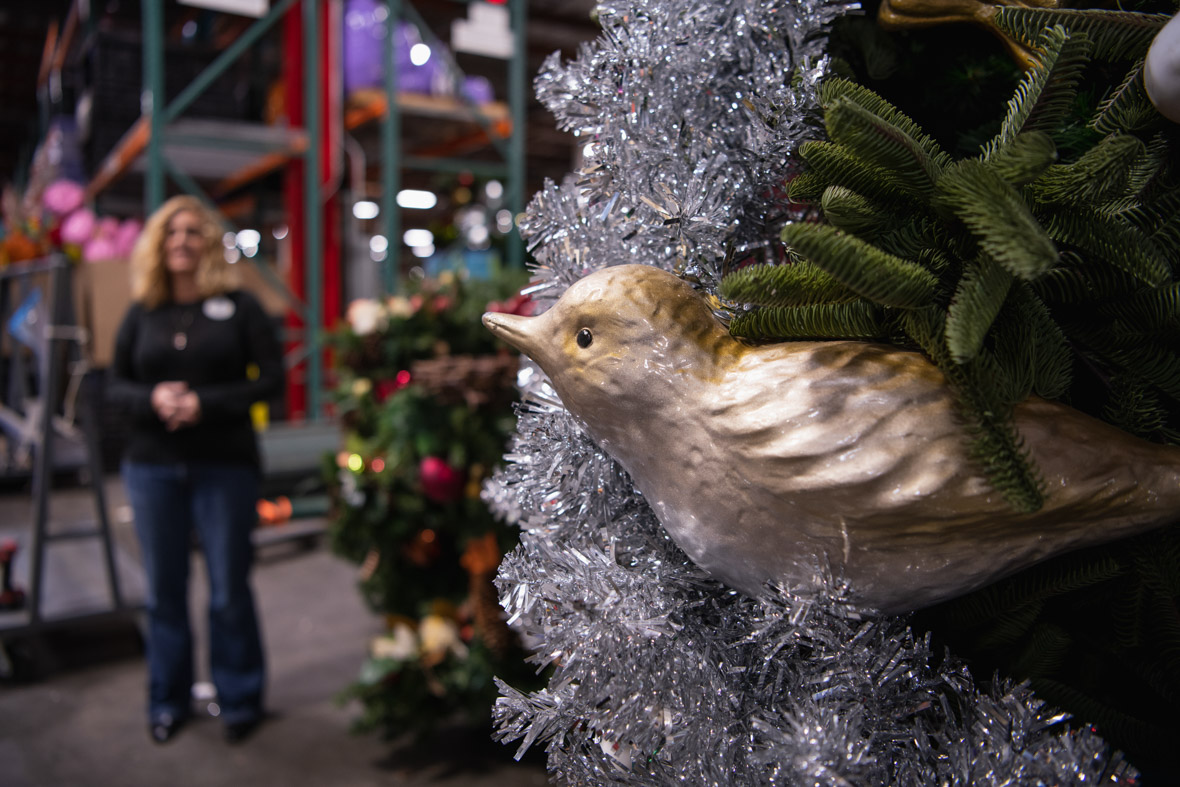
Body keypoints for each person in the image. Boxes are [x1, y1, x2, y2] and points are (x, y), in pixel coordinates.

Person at [108, 195, 284, 745]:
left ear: (208, 243)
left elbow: (271, 381)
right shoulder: (142, 313)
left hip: (224, 466)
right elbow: (112, 386)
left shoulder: (241, 307)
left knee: (228, 588)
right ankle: (168, 699)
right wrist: (154, 398)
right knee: (163, 591)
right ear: (157, 245)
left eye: (191, 232)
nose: (180, 241)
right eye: (170, 232)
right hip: (152, 468)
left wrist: (204, 404)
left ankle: (239, 699)